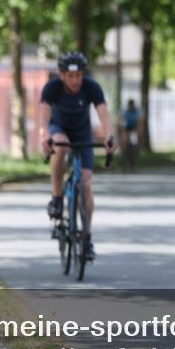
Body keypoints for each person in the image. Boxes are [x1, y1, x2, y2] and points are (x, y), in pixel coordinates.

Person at [38, 52, 118, 261]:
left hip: (82, 132)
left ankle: (87, 236)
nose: (75, 81)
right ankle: (57, 198)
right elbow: (44, 118)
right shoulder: (52, 87)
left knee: (86, 183)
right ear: (62, 75)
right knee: (62, 147)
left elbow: (103, 114)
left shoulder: (91, 87)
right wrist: (44, 135)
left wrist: (109, 135)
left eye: (79, 76)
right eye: (70, 76)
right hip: (59, 127)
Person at [122, 99, 139, 172]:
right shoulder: (126, 113)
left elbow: (139, 123)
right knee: (126, 147)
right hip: (126, 130)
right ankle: (126, 165)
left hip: (134, 131)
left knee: (133, 148)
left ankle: (132, 165)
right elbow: (122, 124)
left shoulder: (137, 112)